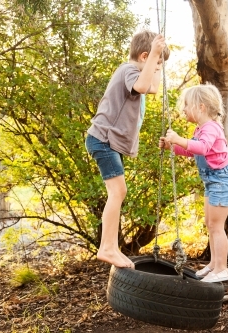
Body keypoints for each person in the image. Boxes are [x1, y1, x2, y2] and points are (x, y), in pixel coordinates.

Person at [85, 30, 170, 269]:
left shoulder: (137, 70)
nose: (156, 68)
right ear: (144, 56)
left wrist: (158, 61)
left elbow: (152, 87)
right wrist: (155, 53)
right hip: (103, 139)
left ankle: (110, 247)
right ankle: (107, 248)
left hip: (107, 142)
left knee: (118, 192)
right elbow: (143, 85)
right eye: (155, 63)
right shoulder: (128, 70)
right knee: (118, 192)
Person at [159, 84, 228, 283]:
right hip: (212, 182)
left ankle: (222, 268)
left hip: (222, 181)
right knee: (210, 225)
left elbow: (202, 148)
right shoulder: (201, 128)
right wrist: (173, 146)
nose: (184, 109)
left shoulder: (211, 127)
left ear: (200, 107)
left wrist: (179, 138)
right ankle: (214, 263)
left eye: (187, 105)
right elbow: (192, 150)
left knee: (216, 226)